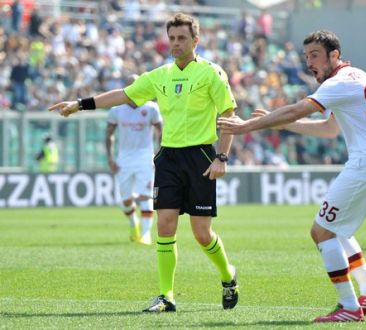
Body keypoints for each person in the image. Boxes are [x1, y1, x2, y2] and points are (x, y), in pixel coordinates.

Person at [48, 13, 239, 313]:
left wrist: (222, 157)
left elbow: (228, 115)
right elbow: (123, 96)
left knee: (202, 234)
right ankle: (167, 296)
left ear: (195, 41)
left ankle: (228, 276)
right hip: (168, 158)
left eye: (182, 38)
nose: (175, 43)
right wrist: (80, 104)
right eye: (172, 38)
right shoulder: (159, 75)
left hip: (201, 156)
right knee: (164, 226)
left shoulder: (212, 73)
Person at [218, 30, 366, 323]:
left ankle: (349, 307)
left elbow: (297, 108)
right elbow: (329, 129)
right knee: (337, 231)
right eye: (306, 57)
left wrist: (249, 126)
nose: (309, 63)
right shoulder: (357, 77)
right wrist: (282, 126)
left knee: (321, 232)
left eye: (315, 56)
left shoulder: (339, 83)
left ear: (334, 55)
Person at [105, 74, 162, 245]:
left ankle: (145, 234)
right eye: (131, 85)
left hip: (145, 156)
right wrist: (110, 158)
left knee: (146, 196)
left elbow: (161, 131)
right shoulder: (116, 110)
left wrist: (159, 153)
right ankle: (133, 222)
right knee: (125, 200)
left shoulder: (151, 108)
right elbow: (109, 135)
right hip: (124, 158)